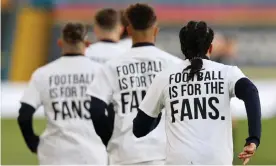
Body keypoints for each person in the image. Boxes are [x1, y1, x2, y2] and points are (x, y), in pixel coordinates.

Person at [134, 21, 261, 165]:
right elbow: (251, 93)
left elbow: (139, 129)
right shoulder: (227, 72)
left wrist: (158, 113)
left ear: (183, 48)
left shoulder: (164, 77)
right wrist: (253, 139)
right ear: (210, 48)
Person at [86, 3, 182, 165]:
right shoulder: (174, 65)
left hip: (125, 153)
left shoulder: (112, 66)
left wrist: (109, 140)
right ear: (156, 30)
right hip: (164, 153)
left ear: (128, 31)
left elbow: (96, 109)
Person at [17, 22, 108, 165]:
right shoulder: (101, 72)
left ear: (60, 43)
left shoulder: (43, 74)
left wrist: (33, 143)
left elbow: (24, 115)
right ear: (87, 44)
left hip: (54, 155)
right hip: (93, 156)